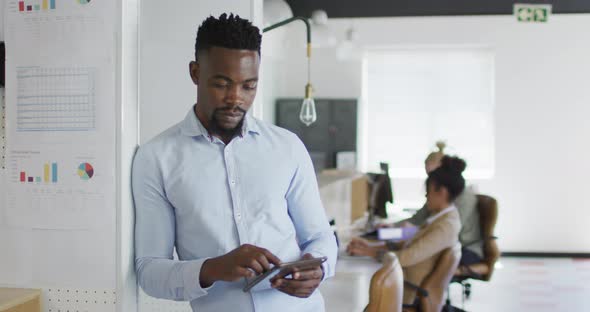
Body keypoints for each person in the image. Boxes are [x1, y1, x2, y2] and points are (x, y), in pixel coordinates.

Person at [132, 13, 337, 312]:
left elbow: (319, 236)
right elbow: (149, 271)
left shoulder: (287, 147)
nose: (235, 99)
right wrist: (214, 268)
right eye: (222, 84)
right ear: (195, 73)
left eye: (248, 86)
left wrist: (318, 268)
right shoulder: (156, 158)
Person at [347, 156, 465, 305]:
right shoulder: (438, 217)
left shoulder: (446, 225)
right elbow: (409, 241)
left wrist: (369, 252)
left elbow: (407, 257)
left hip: (410, 291)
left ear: (441, 192)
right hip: (405, 281)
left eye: (428, 191)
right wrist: (371, 246)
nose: (426, 195)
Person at [388, 142, 484, 267]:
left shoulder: (459, 202)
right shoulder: (438, 200)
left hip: (464, 248)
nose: (430, 184)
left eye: (433, 175)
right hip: (440, 243)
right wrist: (391, 227)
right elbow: (418, 219)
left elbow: (435, 230)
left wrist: (401, 234)